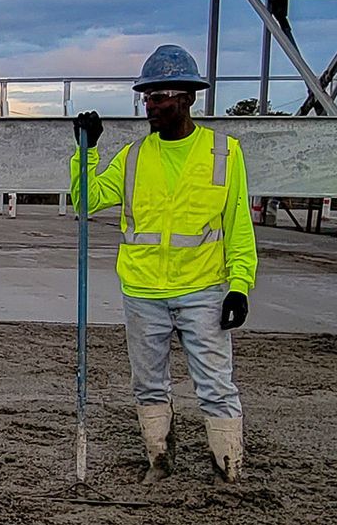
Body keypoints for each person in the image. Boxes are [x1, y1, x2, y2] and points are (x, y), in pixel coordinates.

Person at [71, 44, 255, 482]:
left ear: (188, 98)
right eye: (147, 97)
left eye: (159, 97)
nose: (150, 106)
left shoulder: (224, 153)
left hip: (204, 290)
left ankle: (228, 470)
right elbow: (85, 200)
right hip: (143, 291)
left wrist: (240, 286)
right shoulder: (134, 157)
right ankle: (160, 462)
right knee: (149, 385)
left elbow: (238, 227)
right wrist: (86, 150)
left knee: (215, 385)